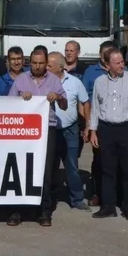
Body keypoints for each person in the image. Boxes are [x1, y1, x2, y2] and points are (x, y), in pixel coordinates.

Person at [5, 47, 67, 226]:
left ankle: (44, 211)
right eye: (34, 63)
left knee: (46, 171)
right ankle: (17, 210)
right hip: (24, 132)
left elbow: (64, 105)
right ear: (29, 63)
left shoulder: (54, 80)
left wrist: (58, 97)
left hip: (47, 131)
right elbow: (8, 105)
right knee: (21, 169)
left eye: (41, 63)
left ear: (46, 63)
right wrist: (20, 98)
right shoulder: (21, 80)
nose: (38, 66)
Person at [88, 48, 128, 221]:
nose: (122, 65)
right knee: (107, 170)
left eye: (122, 62)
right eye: (117, 63)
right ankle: (108, 206)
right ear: (107, 65)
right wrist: (93, 131)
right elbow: (95, 108)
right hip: (106, 129)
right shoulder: (99, 82)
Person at [48, 51, 90, 210]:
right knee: (50, 166)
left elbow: (85, 102)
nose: (46, 68)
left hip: (70, 130)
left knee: (71, 165)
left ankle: (77, 198)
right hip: (50, 130)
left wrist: (87, 126)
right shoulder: (44, 82)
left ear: (60, 67)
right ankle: (49, 197)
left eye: (50, 66)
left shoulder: (74, 82)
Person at [82, 40, 118, 206]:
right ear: (100, 55)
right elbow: (82, 100)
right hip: (98, 123)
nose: (107, 55)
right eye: (105, 53)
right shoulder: (91, 72)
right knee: (99, 161)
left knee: (118, 161)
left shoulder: (123, 71)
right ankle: (97, 193)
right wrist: (89, 124)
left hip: (118, 123)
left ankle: (115, 194)